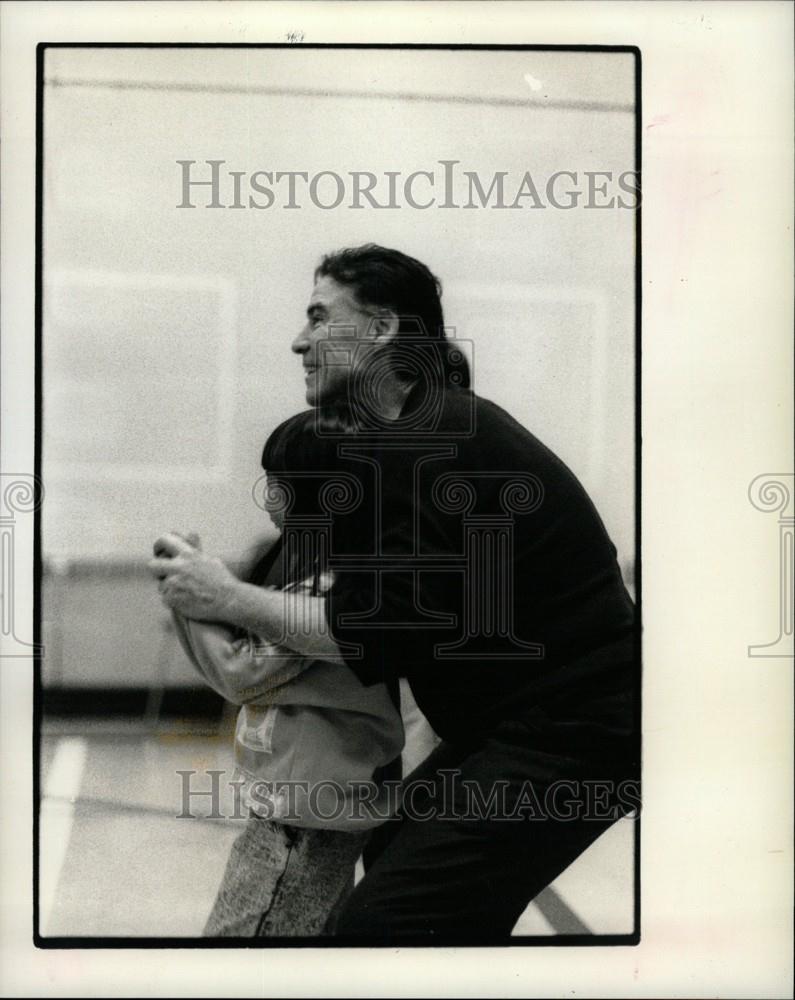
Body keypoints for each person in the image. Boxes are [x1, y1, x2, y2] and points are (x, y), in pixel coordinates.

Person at [151, 244, 639, 939]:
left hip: (572, 736)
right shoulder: (421, 434)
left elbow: (366, 631)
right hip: (522, 728)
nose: (299, 340)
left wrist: (222, 596)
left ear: (381, 330)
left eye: (320, 318)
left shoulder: (432, 439)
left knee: (386, 926)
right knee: (394, 862)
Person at [158, 416, 404, 937]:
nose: (267, 498)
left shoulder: (331, 583)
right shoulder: (308, 566)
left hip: (305, 817)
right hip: (309, 806)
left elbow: (239, 672)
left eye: (278, 484)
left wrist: (185, 595)